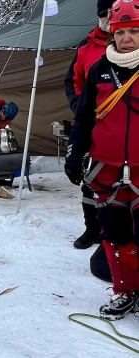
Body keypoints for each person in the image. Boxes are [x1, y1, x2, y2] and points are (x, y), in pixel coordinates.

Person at [65, 0, 139, 321]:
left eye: (135, 31)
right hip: (105, 170)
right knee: (113, 234)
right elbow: (83, 120)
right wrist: (75, 153)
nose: (127, 38)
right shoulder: (98, 69)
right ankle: (125, 291)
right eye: (121, 31)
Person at [63, 0, 116, 250]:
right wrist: (79, 107)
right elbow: (72, 81)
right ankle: (92, 229)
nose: (107, 17)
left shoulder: (133, 41)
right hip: (92, 124)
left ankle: (118, 233)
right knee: (89, 177)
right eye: (102, 14)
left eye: (111, 12)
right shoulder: (86, 47)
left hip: (127, 124)